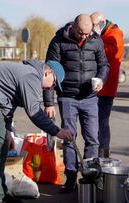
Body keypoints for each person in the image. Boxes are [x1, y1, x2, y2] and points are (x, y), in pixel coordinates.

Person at [0, 60, 73, 203]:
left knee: (1, 148)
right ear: (48, 72)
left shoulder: (28, 74)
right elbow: (34, 113)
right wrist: (57, 131)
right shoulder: (31, 77)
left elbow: (8, 105)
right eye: (54, 83)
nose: (52, 88)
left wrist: (7, 131)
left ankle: (0, 192)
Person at [44, 14, 109, 193]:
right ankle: (71, 178)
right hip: (67, 97)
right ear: (73, 27)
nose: (85, 37)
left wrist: (101, 79)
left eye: (87, 34)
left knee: (93, 140)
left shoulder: (96, 40)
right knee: (69, 138)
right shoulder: (58, 41)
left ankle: (90, 178)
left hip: (90, 98)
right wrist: (49, 103)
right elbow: (48, 72)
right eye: (81, 33)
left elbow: (104, 65)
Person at [90, 12, 124, 158]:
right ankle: (98, 155)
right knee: (96, 123)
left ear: (102, 23)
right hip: (100, 87)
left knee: (102, 124)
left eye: (94, 26)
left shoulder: (114, 35)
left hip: (106, 88)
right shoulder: (107, 34)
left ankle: (103, 156)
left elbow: (106, 54)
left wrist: (96, 39)